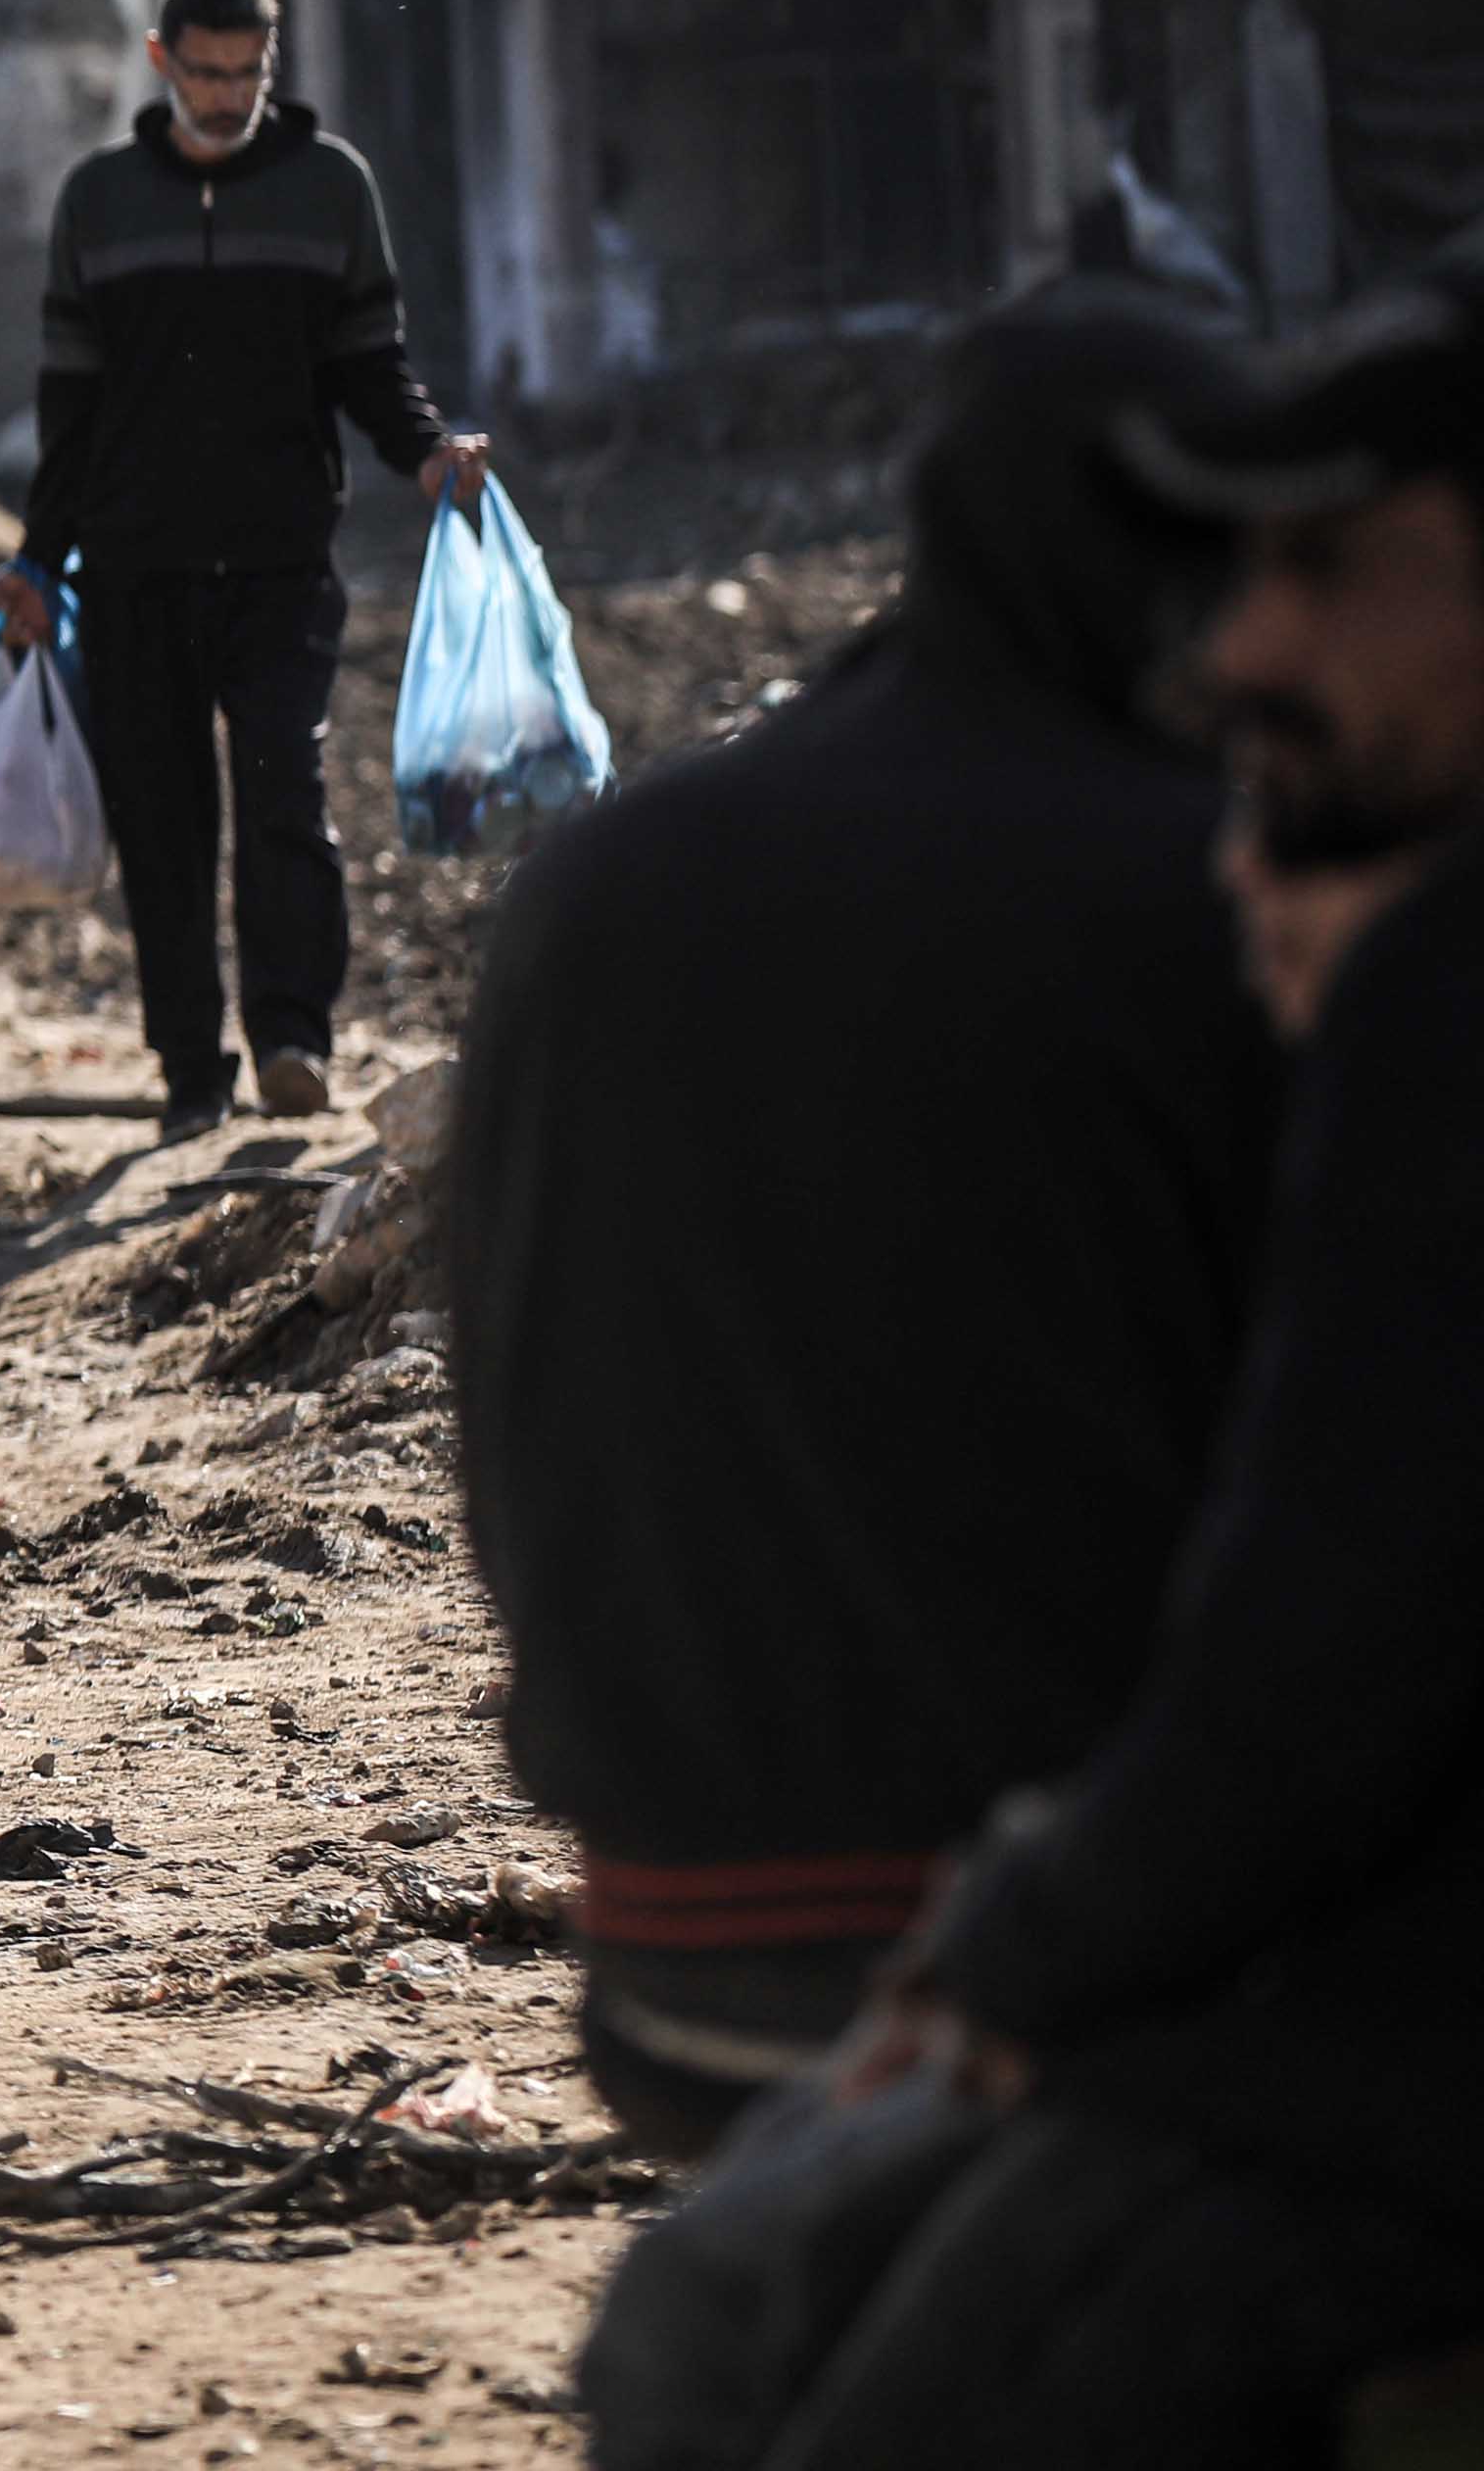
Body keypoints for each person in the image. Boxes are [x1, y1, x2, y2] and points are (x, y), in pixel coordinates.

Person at [581, 246, 1484, 2462]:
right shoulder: (1284, 913)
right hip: (1152, 1927)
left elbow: (1328, 1643)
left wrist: (1018, 1956)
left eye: (1336, 569)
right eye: (1233, 569)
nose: (1255, 643)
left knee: (734, 2344)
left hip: (737, 1936)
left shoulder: (631, 869)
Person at [441, 284, 1269, 2161]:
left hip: (673, 1953)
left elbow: (500, 1418)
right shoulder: (1212, 888)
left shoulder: (608, 882)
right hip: (1052, 1966)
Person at [4, 0, 480, 1148]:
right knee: (162, 820)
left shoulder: (328, 187)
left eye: (248, 72)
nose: (228, 95)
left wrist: (424, 453)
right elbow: (72, 405)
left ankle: (291, 1037)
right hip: (131, 565)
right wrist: (35, 559)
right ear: (161, 63)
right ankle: (188, 1070)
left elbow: (368, 356)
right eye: (205, 72)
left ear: (274, 63)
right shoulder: (99, 201)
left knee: (283, 780)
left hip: (279, 555)